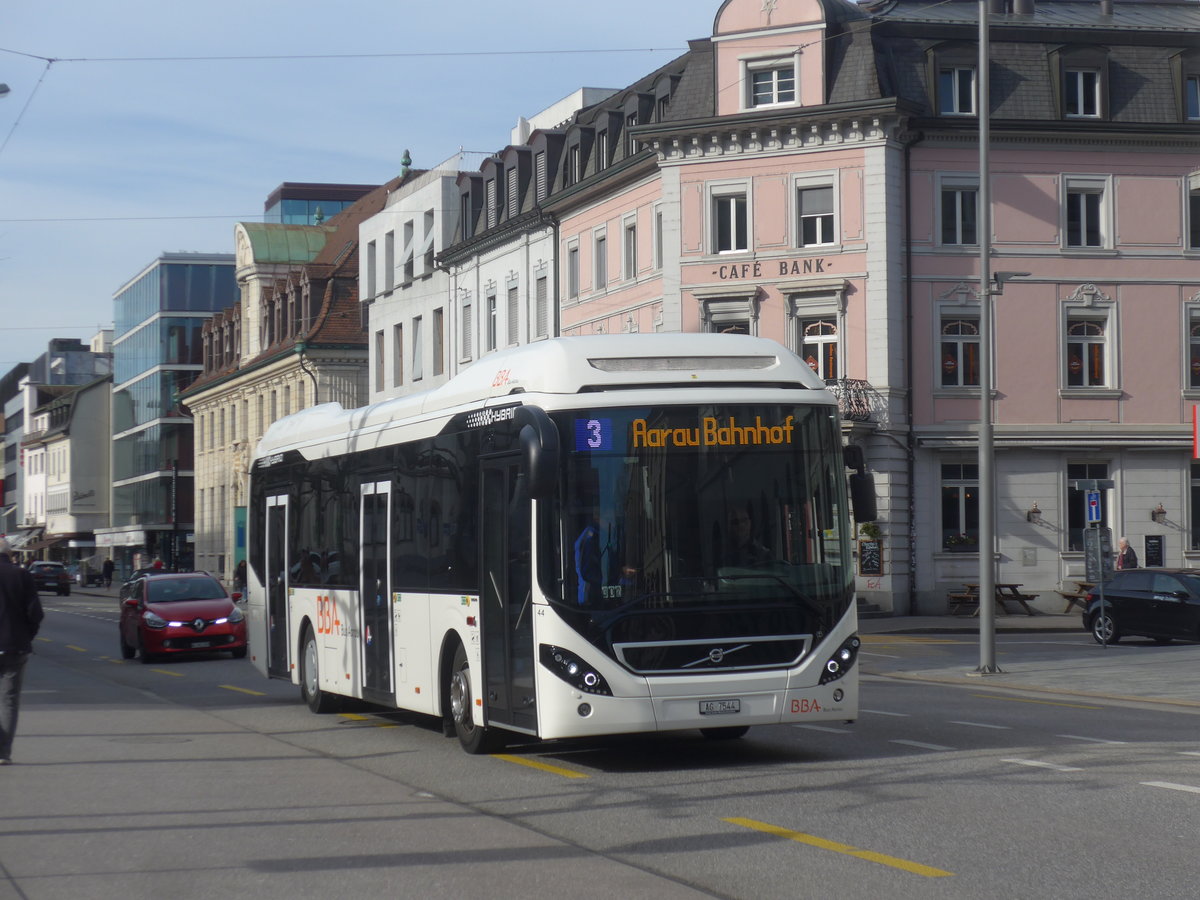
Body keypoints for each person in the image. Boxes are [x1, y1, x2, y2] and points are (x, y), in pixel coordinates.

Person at [0, 536, 45, 765]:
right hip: (15, 646)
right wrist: (26, 636)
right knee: (8, 700)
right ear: (10, 554)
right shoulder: (21, 576)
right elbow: (35, 614)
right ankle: (3, 752)